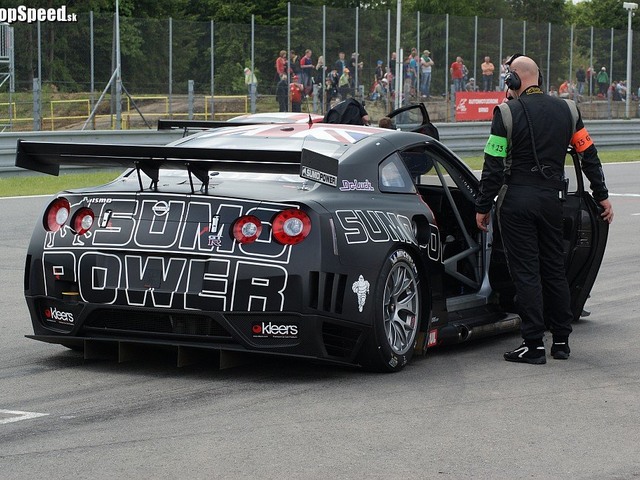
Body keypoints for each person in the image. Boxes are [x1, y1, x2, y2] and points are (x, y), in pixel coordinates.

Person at [475, 55, 613, 365]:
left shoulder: (505, 113)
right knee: (554, 269)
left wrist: (483, 206)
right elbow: (589, 155)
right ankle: (561, 341)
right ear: (539, 77)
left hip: (516, 201)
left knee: (526, 272)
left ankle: (533, 344)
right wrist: (601, 195)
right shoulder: (568, 110)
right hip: (553, 201)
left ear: (513, 79)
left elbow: (492, 167)